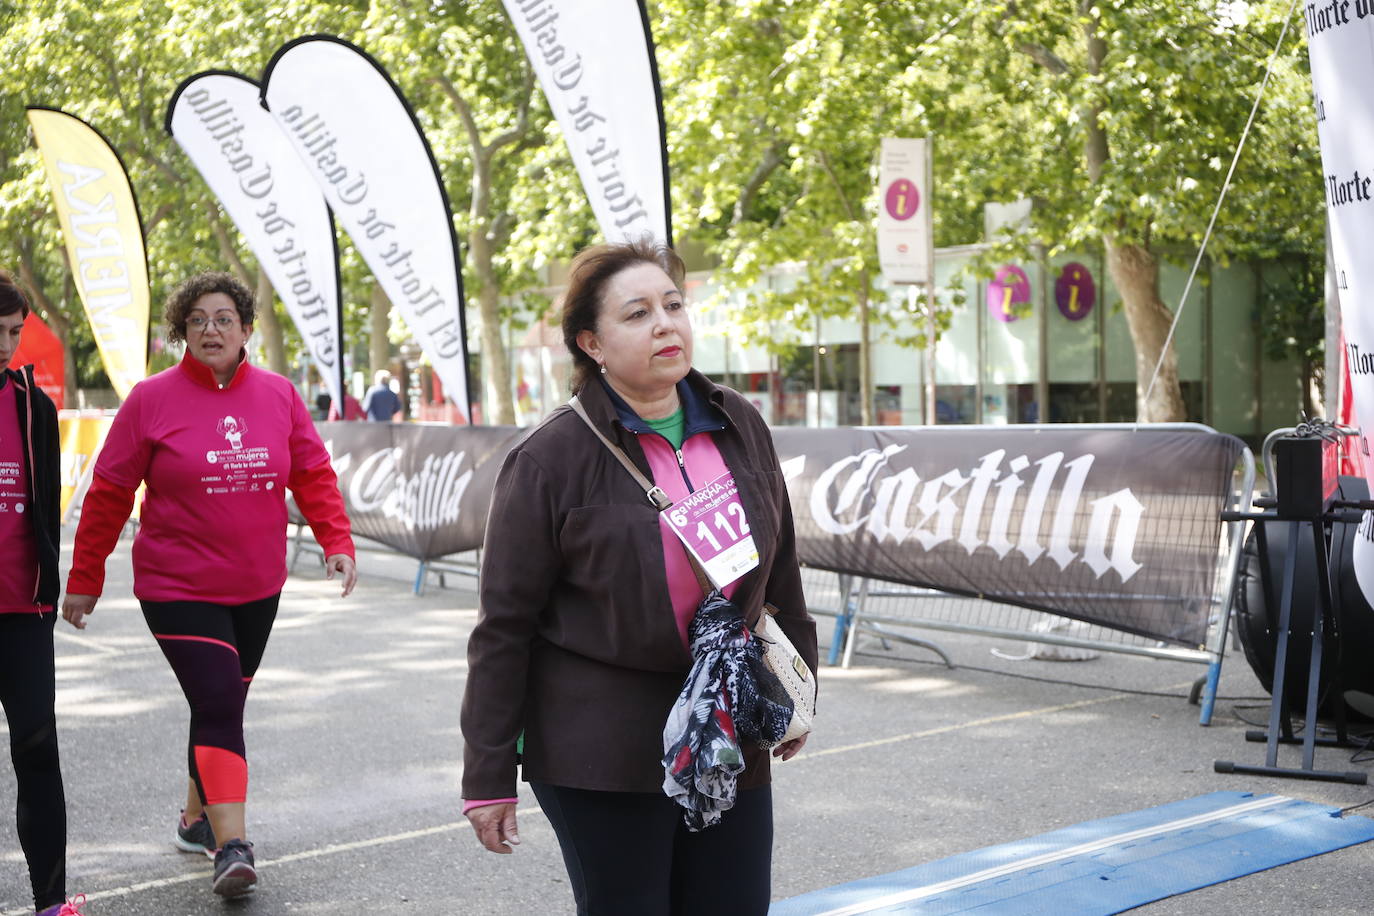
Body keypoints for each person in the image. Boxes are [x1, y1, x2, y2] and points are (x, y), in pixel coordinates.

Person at [460, 240, 817, 914]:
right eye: (638, 314)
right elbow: (504, 628)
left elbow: (782, 574)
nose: (665, 323)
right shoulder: (548, 459)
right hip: (600, 748)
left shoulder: (739, 422)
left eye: (674, 305)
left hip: (728, 723)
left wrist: (796, 694)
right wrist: (488, 772)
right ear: (592, 343)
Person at [61, 271, 357, 900]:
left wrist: (336, 541)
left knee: (219, 706)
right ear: (180, 334)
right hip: (177, 585)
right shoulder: (150, 400)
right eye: (196, 320)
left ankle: (195, 820)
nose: (211, 329)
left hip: (256, 584)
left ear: (247, 329)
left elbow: (310, 471)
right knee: (221, 701)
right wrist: (84, 578)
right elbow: (110, 492)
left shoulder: (278, 395)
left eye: (224, 318)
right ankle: (233, 847)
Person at [0, 272, 84, 916]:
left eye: (13, 332)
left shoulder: (35, 408)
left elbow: (46, 513)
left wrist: (55, 594)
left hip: (24, 616)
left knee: (37, 755)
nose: (6, 344)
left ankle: (51, 902)